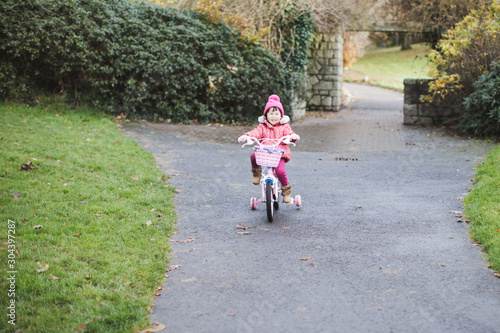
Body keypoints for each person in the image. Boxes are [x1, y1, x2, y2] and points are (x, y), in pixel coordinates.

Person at [238, 94, 300, 203]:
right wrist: (247, 136)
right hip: (264, 152)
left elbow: (289, 133)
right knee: (253, 156)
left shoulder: (284, 126)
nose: (274, 116)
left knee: (280, 171)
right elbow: (255, 133)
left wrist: (292, 137)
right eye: (271, 113)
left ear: (281, 115)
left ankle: (286, 192)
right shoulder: (262, 126)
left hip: (279, 153)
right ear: (266, 114)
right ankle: (256, 173)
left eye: (277, 114)